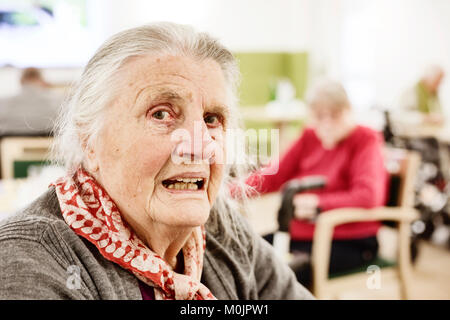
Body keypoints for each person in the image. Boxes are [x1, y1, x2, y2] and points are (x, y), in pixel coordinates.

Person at [0, 22, 313, 300]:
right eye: (161, 114)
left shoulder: (222, 231)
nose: (200, 146)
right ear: (90, 142)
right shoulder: (26, 259)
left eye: (211, 119)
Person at [247, 79, 388, 287]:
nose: (327, 123)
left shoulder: (365, 139)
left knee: (271, 276)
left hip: (349, 242)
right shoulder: (309, 136)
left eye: (335, 114)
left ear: (349, 111)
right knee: (242, 255)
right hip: (301, 235)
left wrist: (318, 204)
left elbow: (368, 195)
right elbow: (273, 176)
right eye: (320, 116)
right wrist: (228, 192)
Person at [0, 67, 61, 136]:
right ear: (42, 80)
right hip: (47, 144)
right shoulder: (59, 100)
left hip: (10, 143)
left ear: (21, 81)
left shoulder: (3, 102)